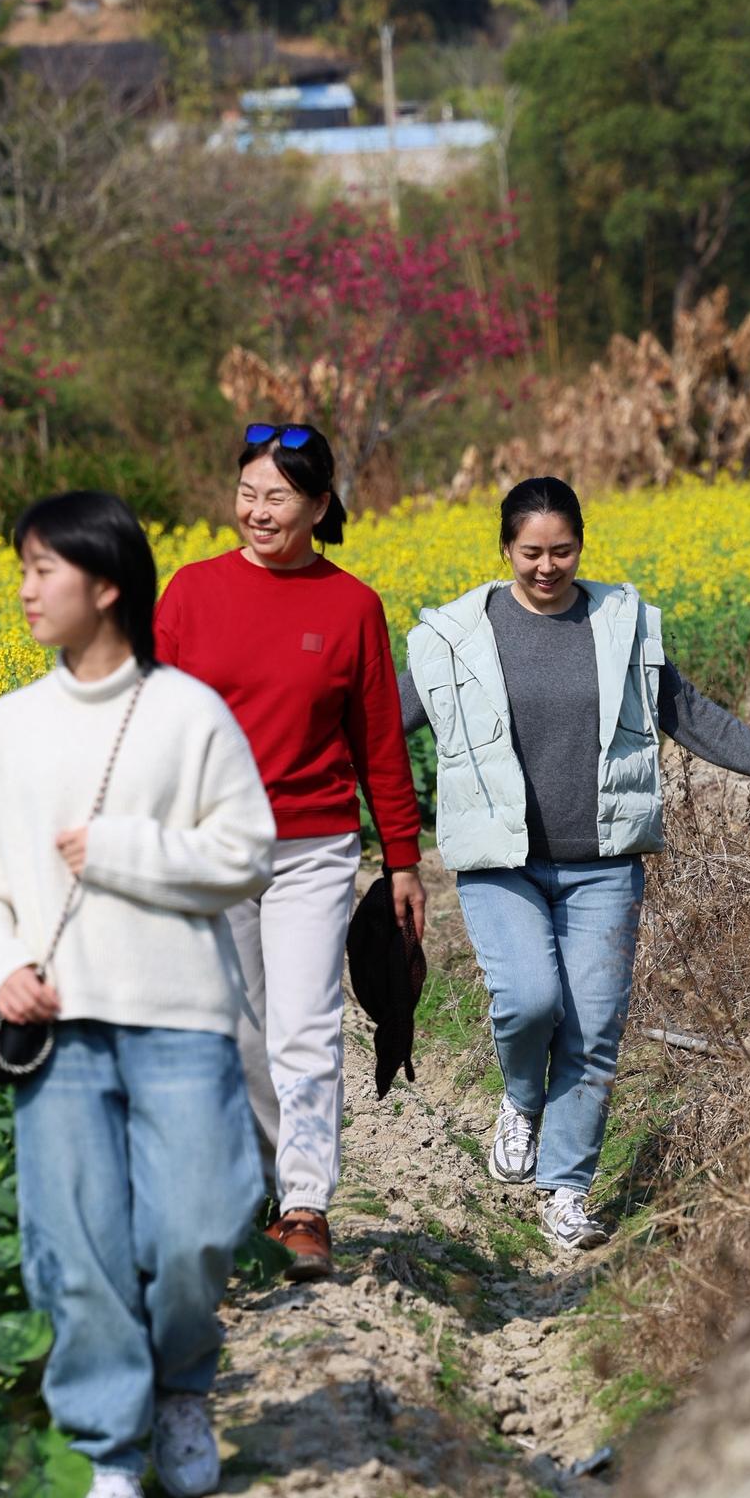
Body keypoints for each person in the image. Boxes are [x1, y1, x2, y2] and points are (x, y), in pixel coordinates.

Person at [0, 491, 275, 1498]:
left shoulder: (187, 715)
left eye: (44, 568)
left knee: (196, 1225)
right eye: (24, 568)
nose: (26, 588)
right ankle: (108, 1454)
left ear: (107, 585)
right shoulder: (8, 726)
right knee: (75, 1248)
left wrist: (125, 851)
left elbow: (244, 855)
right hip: (59, 1031)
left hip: (178, 1017)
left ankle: (181, 1383)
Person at [400, 475, 750, 1257]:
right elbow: (379, 724)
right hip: (501, 864)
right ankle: (521, 1098)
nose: (546, 566)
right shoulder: (457, 636)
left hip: (604, 864)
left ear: (582, 545)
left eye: (561, 550)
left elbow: (691, 718)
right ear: (505, 549)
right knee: (530, 1001)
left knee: (596, 1029)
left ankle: (567, 1193)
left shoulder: (620, 624)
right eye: (531, 552)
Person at [155, 424, 425, 1283]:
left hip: (314, 848)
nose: (257, 509)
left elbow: (379, 740)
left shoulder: (352, 606)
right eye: (248, 491)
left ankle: (305, 1204)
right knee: (236, 1034)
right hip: (212, 845)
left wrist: (404, 857)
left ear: (317, 506)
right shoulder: (190, 593)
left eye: (277, 496)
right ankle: (260, 1190)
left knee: (304, 1028)